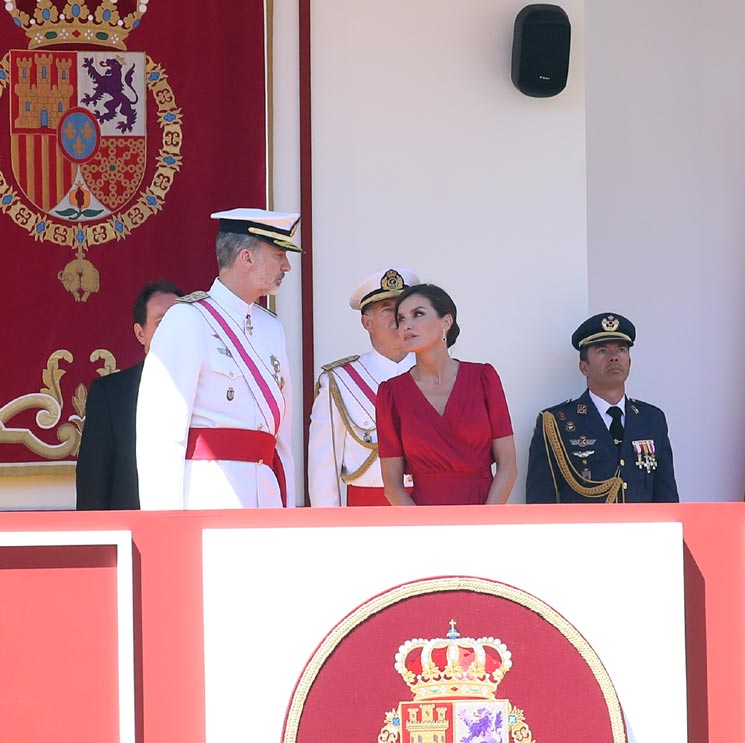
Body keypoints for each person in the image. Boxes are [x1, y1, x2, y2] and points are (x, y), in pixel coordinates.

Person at [135, 208, 301, 510]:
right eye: (278, 254)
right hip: (209, 500)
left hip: (267, 501)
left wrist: (286, 508)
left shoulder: (272, 328)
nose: (287, 266)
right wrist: (165, 526)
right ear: (246, 257)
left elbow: (282, 441)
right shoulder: (187, 319)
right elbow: (160, 436)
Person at [376, 284, 517, 506]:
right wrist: (425, 530)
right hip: (423, 523)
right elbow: (392, 485)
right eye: (401, 319)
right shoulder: (391, 393)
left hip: (484, 518)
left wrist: (487, 522)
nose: (406, 325)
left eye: (418, 314)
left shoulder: (483, 378)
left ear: (446, 322)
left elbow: (508, 465)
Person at [525, 312, 679, 503]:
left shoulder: (652, 419)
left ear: (629, 362)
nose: (614, 357)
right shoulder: (556, 423)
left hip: (642, 532)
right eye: (602, 351)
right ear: (584, 368)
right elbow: (540, 502)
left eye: (621, 350)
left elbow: (667, 497)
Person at [308, 267, 420, 506]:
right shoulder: (340, 381)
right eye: (388, 310)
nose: (398, 317)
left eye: (404, 309)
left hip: (430, 506)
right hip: (367, 511)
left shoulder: (435, 373)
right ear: (367, 322)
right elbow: (323, 470)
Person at [76, 280, 183, 510]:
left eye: (180, 323)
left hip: (193, 531)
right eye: (161, 322)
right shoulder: (110, 394)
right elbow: (93, 485)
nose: (173, 331)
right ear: (140, 333)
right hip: (131, 536)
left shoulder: (209, 392)